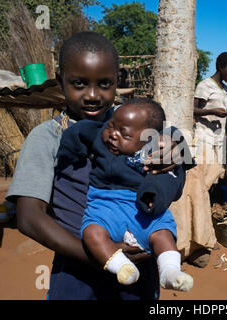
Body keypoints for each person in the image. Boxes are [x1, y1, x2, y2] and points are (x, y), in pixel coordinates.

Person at [6, 31, 190, 300]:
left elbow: (175, 178)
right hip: (78, 268)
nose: (92, 95)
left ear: (118, 81)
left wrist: (176, 151)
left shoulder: (138, 126)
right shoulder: (48, 137)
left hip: (140, 265)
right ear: (61, 81)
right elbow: (29, 218)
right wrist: (100, 255)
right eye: (79, 83)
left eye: (104, 84)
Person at [56, 98, 193, 292]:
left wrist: (177, 145)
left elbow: (175, 140)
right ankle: (122, 266)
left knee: (162, 234)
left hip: (143, 210)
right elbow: (80, 131)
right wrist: (66, 151)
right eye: (111, 126)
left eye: (124, 134)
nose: (112, 135)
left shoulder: (158, 152)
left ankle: (170, 272)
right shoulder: (102, 140)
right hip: (105, 207)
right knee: (91, 232)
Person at [169, 52, 227, 268]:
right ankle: (192, 239)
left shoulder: (224, 89)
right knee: (197, 187)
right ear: (220, 66)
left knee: (206, 188)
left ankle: (203, 233)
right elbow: (191, 109)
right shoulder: (204, 85)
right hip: (202, 141)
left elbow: (218, 113)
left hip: (217, 141)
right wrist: (212, 110)